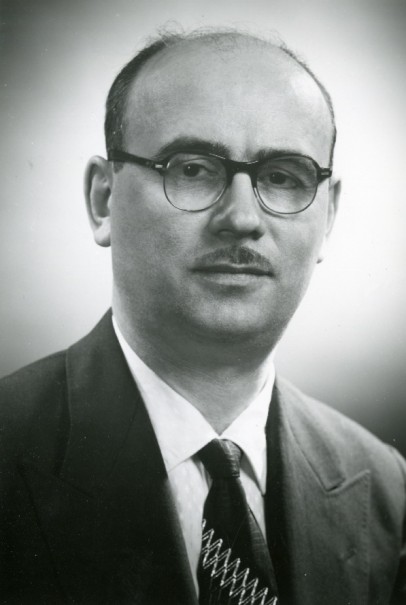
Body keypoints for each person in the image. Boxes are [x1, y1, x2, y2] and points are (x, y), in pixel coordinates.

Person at [0, 27, 405, 605]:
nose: (241, 218)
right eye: (191, 169)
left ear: (328, 216)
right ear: (103, 199)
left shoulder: (384, 488)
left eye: (282, 177)